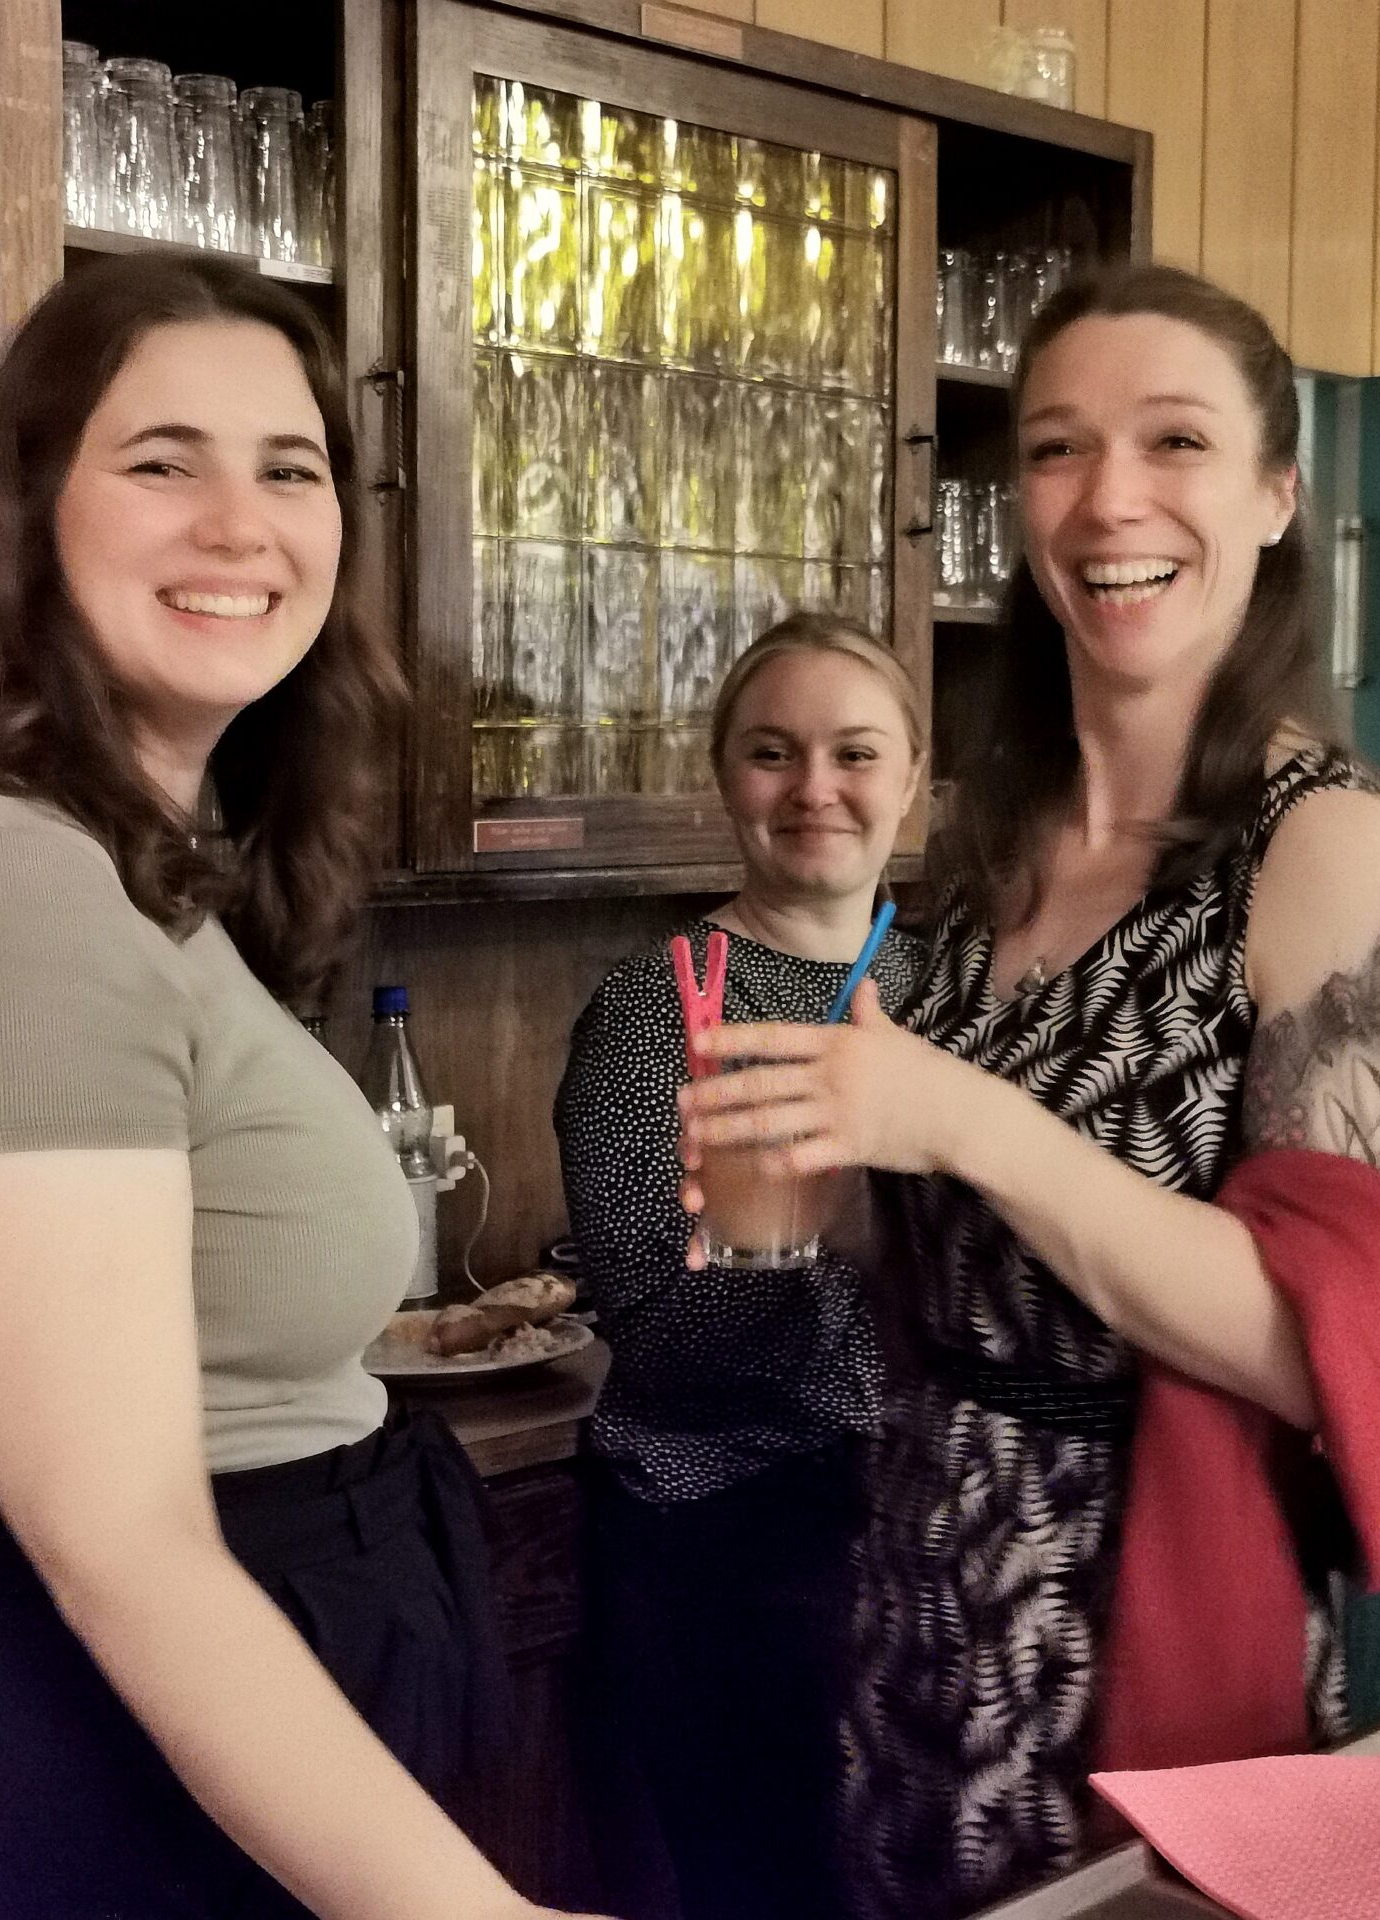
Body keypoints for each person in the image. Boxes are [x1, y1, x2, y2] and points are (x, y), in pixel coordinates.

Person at [0, 253, 597, 1920]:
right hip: (89, 1760)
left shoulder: (115, 870)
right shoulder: (0, 892)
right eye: (164, 463)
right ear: (29, 511)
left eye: (289, 470)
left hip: (196, 1723)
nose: (242, 525)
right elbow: (124, 1549)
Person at [679, 265, 1380, 1919]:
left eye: (1174, 441)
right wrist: (829, 1183)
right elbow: (964, 1258)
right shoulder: (990, 845)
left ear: (1275, 494)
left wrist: (962, 1122)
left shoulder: (1336, 857)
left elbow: (1313, 1352)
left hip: (1145, 1629)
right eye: (1055, 448)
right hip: (914, 1591)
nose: (1109, 500)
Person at [555, 614, 926, 1920]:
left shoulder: (957, 988)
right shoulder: (654, 1010)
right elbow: (658, 1345)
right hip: (731, 1549)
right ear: (726, 778)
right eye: (774, 752)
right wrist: (833, 1230)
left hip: (934, 1533)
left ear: (913, 780)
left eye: (855, 753)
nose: (816, 787)